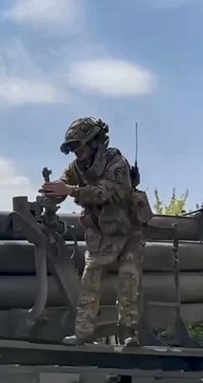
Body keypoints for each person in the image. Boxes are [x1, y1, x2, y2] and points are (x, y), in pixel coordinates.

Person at [40, 117, 145, 347]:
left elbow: (103, 193)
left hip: (127, 231)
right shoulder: (77, 167)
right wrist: (53, 191)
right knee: (89, 282)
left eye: (81, 145)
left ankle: (128, 332)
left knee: (129, 281)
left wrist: (69, 190)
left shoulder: (116, 164)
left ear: (96, 142)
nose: (78, 152)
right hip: (100, 233)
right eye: (74, 148)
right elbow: (65, 182)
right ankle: (83, 332)